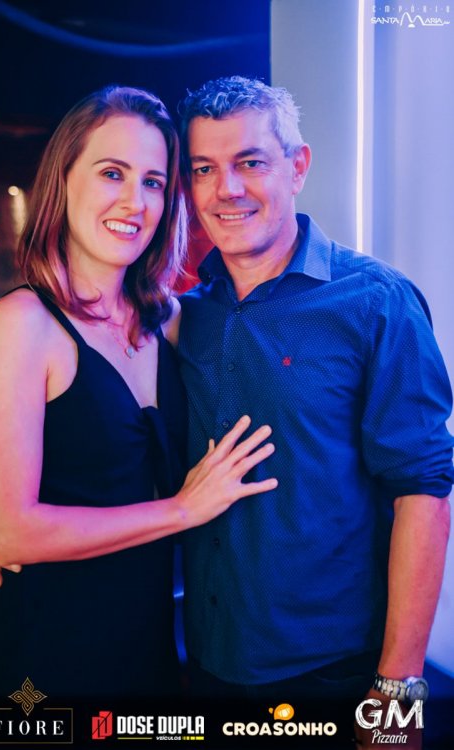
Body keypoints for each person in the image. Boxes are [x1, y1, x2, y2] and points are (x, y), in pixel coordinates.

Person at [0, 84, 278, 699]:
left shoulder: (170, 321)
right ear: (63, 179)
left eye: (154, 182)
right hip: (44, 661)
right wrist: (182, 510)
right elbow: (8, 533)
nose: (135, 202)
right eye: (112, 173)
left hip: (149, 647)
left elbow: (271, 334)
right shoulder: (23, 324)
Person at [176, 76, 453, 747]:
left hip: (332, 673)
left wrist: (398, 692)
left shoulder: (375, 301)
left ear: (297, 167)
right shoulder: (186, 313)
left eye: (250, 162)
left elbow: (424, 490)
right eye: (204, 169)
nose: (226, 189)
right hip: (204, 658)